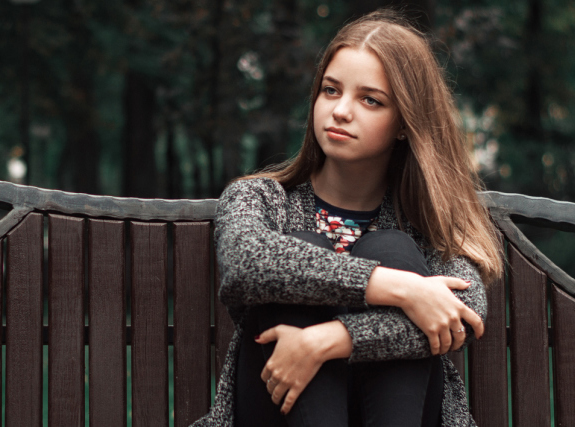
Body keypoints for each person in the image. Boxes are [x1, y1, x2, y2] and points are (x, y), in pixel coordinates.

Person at [190, 9, 505, 427]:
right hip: (276, 411)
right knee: (305, 248)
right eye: (331, 90)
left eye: (369, 100)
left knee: (392, 246)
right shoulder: (260, 198)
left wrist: (328, 341)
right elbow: (246, 262)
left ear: (403, 124)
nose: (340, 111)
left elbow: (461, 314)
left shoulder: (428, 220)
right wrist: (402, 289)